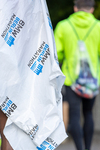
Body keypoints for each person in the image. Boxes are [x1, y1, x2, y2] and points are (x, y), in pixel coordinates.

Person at [54, 0, 100, 150]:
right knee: (88, 114)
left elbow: (57, 54)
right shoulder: (98, 26)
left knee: (74, 116)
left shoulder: (63, 26)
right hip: (93, 79)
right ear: (92, 9)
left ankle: (80, 148)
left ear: (75, 8)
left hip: (71, 79)